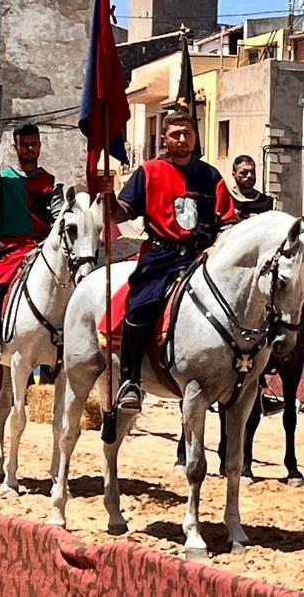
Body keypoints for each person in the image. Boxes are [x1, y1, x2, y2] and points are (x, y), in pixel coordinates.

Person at [106, 110, 236, 414]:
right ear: (164, 138)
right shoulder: (149, 171)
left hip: (201, 258)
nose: (182, 139)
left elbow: (227, 220)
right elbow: (121, 212)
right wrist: (108, 197)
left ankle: (247, 382)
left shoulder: (210, 175)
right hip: (160, 258)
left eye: (187, 133)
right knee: (140, 307)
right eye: (175, 134)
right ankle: (130, 381)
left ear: (195, 136)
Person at [0, 123, 64, 362]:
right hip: (10, 247)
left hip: (41, 247)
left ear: (40, 145)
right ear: (16, 147)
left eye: (34, 144)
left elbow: (58, 218)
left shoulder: (51, 182)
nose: (30, 148)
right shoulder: (2, 180)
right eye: (25, 144)